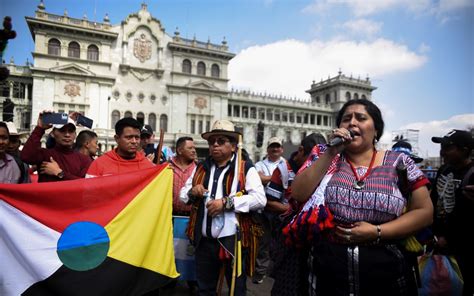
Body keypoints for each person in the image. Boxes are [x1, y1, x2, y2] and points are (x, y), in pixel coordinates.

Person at [290, 99, 433, 295]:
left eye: (361, 118)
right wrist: (331, 151)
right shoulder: (325, 156)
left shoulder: (399, 162)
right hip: (328, 273)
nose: (352, 123)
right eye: (346, 119)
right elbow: (298, 193)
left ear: (376, 130)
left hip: (388, 274)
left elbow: (424, 212)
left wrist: (378, 231)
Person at [180, 119, 266, 296]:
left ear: (234, 146)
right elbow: (182, 194)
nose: (215, 145)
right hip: (203, 241)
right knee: (205, 289)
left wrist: (227, 203)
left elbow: (259, 199)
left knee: (236, 289)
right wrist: (192, 191)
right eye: (212, 142)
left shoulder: (245, 168)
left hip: (232, 241)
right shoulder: (201, 168)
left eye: (221, 141)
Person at [268, 133, 326, 296]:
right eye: (311, 159)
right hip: (288, 240)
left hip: (314, 242)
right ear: (300, 151)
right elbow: (269, 202)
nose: (313, 166)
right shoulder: (283, 171)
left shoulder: (326, 167)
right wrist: (296, 211)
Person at [430, 129, 474, 296]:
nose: (442, 152)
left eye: (448, 147)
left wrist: (450, 238)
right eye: (442, 147)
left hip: (465, 249)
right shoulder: (444, 170)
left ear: (464, 150)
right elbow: (434, 201)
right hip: (438, 245)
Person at [21, 111, 92, 182]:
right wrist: (39, 128)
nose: (67, 134)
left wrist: (59, 173)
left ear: (75, 135)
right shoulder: (45, 155)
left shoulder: (84, 160)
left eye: (70, 131)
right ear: (52, 134)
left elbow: (85, 184)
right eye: (62, 130)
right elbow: (26, 156)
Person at [253, 137, 285, 284]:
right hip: (264, 209)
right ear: (267, 149)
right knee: (263, 242)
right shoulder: (259, 164)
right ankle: (260, 272)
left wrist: (269, 179)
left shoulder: (286, 164)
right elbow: (258, 179)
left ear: (282, 149)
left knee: (280, 241)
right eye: (272, 146)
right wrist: (278, 179)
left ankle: (277, 270)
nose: (275, 149)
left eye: (277, 147)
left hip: (281, 210)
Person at [86, 117, 155, 177]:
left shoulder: (148, 166)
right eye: (129, 137)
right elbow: (89, 190)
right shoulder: (99, 165)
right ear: (117, 138)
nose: (134, 141)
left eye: (137, 137)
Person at [169, 136, 197, 216]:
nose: (194, 151)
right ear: (180, 151)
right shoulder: (167, 167)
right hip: (170, 217)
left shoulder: (199, 170)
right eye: (190, 148)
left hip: (192, 217)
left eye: (194, 148)